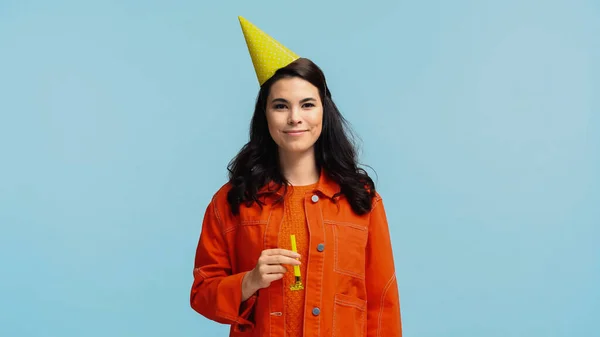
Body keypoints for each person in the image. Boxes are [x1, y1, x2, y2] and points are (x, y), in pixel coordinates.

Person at [190, 16, 402, 337]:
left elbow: (382, 303)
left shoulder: (361, 200)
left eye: (307, 104)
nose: (294, 118)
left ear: (323, 112)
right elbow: (202, 294)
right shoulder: (232, 201)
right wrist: (249, 282)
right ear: (265, 115)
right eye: (280, 106)